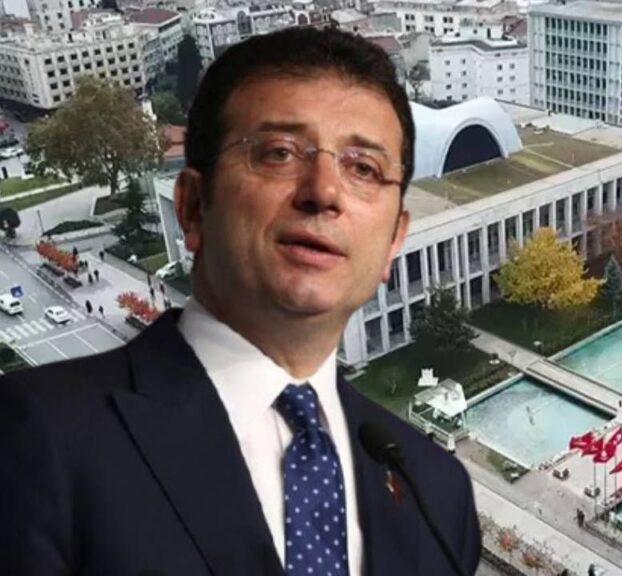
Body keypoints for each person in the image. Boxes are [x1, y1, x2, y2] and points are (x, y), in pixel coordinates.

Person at [0, 28, 480, 576]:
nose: (324, 192)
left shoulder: (436, 491)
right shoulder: (37, 440)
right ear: (193, 207)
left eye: (364, 168)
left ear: (394, 239)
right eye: (279, 153)